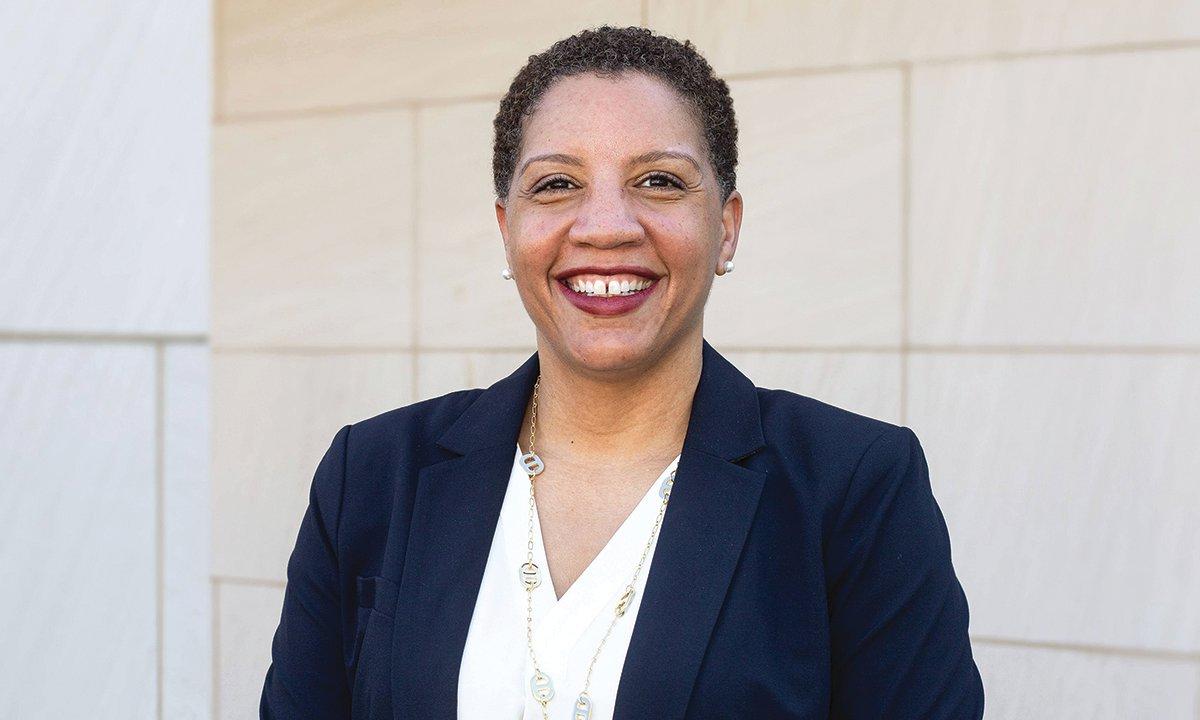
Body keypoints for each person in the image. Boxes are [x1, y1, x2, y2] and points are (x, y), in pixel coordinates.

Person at [259, 25, 983, 720]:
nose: (606, 226)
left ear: (725, 227)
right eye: (555, 185)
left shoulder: (854, 490)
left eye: (660, 180)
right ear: (506, 228)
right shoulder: (372, 476)